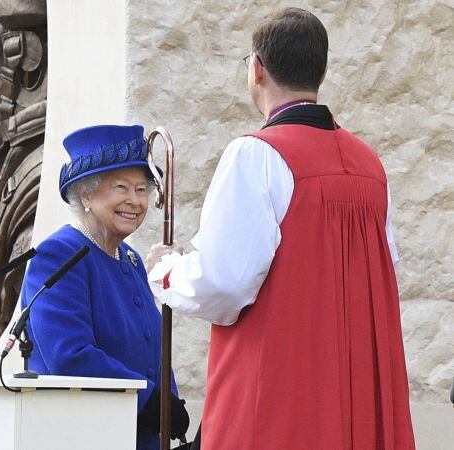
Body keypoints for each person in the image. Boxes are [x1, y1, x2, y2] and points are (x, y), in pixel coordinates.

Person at [146, 8, 415, 450]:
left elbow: (224, 284)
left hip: (280, 401)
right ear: (323, 71)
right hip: (355, 403)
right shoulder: (371, 166)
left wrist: (166, 272)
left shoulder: (256, 155)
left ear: (256, 70)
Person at [21, 125, 190, 450]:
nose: (135, 201)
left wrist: (170, 401)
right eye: (121, 188)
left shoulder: (131, 259)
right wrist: (149, 399)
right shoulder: (59, 255)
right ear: (85, 194)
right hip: (85, 436)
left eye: (142, 190)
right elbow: (69, 356)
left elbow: (153, 347)